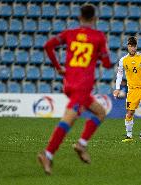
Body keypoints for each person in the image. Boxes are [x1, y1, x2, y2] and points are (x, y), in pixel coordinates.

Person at [38, 4, 112, 175]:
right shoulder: (99, 37)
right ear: (94, 19)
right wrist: (102, 54)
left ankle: (81, 144)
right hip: (83, 85)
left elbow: (48, 46)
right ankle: (47, 154)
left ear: (80, 18)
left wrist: (58, 67)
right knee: (69, 119)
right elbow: (107, 64)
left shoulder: (69, 34)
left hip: (69, 83)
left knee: (100, 112)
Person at [113, 36, 141, 143]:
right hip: (132, 90)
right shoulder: (123, 60)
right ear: (128, 46)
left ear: (136, 46)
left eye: (134, 46)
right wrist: (117, 88)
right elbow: (119, 74)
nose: (132, 48)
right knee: (129, 113)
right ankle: (129, 136)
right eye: (130, 46)